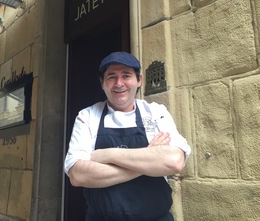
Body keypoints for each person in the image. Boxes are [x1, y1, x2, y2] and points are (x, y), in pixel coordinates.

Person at [64, 51, 191, 221]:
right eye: (111, 77)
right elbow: (78, 175)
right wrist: (149, 158)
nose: (119, 83)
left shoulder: (155, 112)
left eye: (126, 75)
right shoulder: (87, 116)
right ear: (102, 83)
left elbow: (174, 161)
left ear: (139, 80)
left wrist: (106, 154)